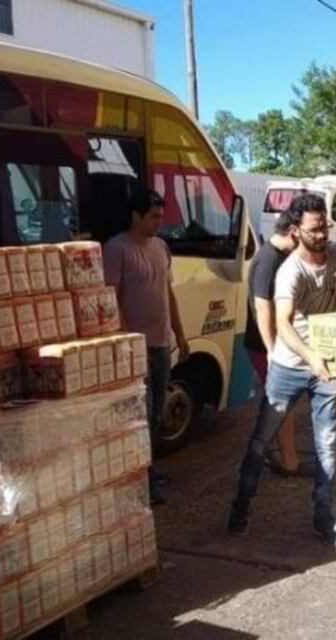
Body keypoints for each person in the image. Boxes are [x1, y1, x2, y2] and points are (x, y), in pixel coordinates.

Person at [227, 193, 336, 542]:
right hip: (290, 366)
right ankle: (241, 506)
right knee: (261, 440)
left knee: (327, 444)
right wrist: (309, 356)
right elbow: (283, 323)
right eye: (315, 229)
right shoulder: (289, 271)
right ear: (296, 230)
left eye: (325, 227)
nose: (322, 235)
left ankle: (323, 515)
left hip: (329, 367)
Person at [103, 187, 189, 506]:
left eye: (161, 216)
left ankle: (150, 470)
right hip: (135, 346)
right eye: (153, 217)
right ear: (135, 216)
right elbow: (111, 299)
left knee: (156, 413)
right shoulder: (116, 249)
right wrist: (127, 342)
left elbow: (168, 293)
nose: (158, 222)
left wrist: (179, 334)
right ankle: (142, 476)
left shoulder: (162, 247)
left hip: (161, 343)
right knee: (141, 413)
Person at [244, 211, 301, 475]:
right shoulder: (268, 259)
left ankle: (270, 451)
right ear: (293, 231)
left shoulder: (282, 256)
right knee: (281, 403)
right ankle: (289, 462)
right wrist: (272, 350)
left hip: (277, 343)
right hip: (264, 344)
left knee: (277, 402)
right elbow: (262, 308)